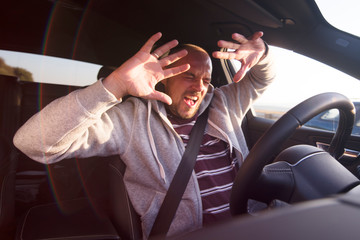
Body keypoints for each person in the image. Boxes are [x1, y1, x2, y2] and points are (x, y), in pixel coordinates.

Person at [13, 31, 276, 238]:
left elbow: (261, 79)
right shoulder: (131, 119)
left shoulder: (223, 103)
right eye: (188, 75)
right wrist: (114, 85)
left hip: (252, 225)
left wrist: (264, 55)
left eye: (206, 79)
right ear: (163, 78)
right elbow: (33, 143)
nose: (200, 87)